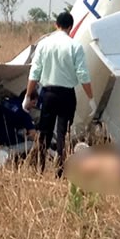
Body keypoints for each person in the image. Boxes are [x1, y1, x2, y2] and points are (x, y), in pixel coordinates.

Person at [22, 12, 96, 177]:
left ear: (56, 24)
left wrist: (28, 95)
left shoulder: (44, 44)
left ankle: (39, 168)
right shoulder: (75, 46)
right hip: (67, 94)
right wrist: (91, 98)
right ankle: (60, 171)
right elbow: (83, 74)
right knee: (64, 133)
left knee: (44, 132)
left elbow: (34, 72)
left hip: (48, 93)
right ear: (70, 27)